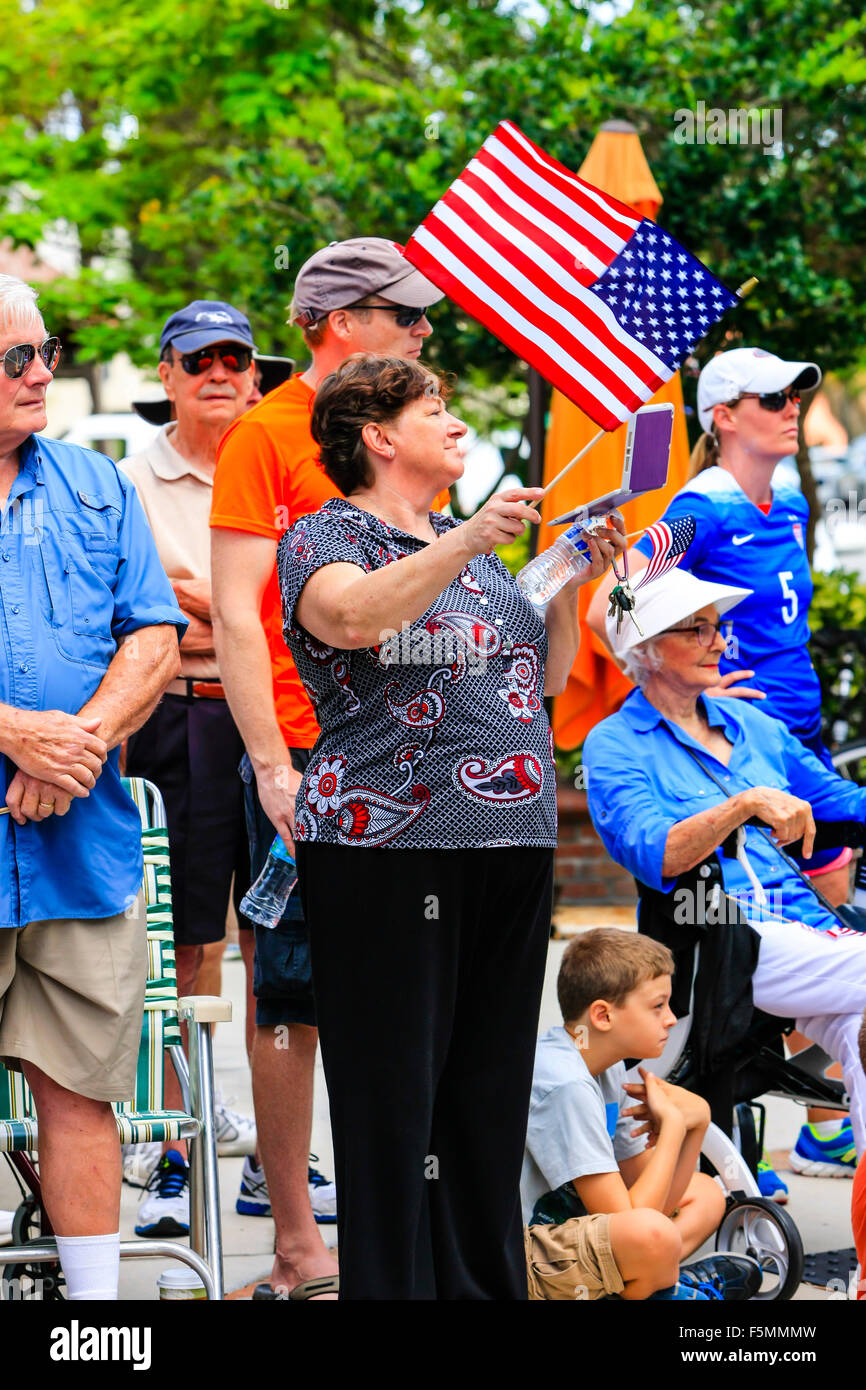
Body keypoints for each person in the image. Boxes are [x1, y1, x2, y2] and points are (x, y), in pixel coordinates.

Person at [277, 352, 624, 1300]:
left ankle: (482, 1287)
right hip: (388, 849)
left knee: (488, 1092)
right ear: (380, 438)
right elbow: (352, 620)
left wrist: (561, 580)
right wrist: (468, 543)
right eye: (437, 410)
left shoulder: (465, 544)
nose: (458, 425)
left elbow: (546, 680)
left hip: (509, 843)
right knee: (396, 1097)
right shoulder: (326, 538)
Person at [210, 237, 451, 1298]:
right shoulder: (263, 436)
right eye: (404, 314)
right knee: (291, 994)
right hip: (310, 753)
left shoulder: (402, 433)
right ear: (338, 319)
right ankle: (299, 1241)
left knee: (404, 993)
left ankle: (403, 1235)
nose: (422, 331)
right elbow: (233, 612)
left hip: (412, 748)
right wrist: (269, 761)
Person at [588, 347, 855, 1179]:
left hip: (775, 743)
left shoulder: (789, 504)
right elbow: (613, 598)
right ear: (723, 416)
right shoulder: (702, 506)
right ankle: (742, 1125)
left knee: (823, 914)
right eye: (771, 395)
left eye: (798, 393)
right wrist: (674, 671)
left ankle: (809, 1121)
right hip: (718, 758)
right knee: (744, 934)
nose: (791, 406)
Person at [0, 273, 185, 1299]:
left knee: (80, 1094)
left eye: (46, 351)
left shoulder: (97, 483)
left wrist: (76, 746)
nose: (41, 375)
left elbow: (152, 635)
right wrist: (12, 735)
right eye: (15, 360)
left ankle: (95, 1316)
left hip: (82, 841)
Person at [582, 567, 866, 1160]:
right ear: (647, 649)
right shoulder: (614, 744)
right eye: (697, 630)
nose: (719, 642)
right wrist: (741, 805)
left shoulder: (754, 725)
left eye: (718, 627)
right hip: (721, 939)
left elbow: (839, 802)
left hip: (813, 933)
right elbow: (651, 850)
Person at [120, 301, 259, 1236]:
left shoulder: (290, 468)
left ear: (256, 376)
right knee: (185, 942)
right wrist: (229, 612)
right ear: (167, 376)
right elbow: (149, 616)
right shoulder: (124, 480)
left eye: (234, 358)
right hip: (179, 721)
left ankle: (270, 1151)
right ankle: (175, 1145)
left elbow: (300, 607)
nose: (216, 371)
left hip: (280, 724)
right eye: (195, 357)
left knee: (287, 949)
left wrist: (224, 610)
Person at [522, 929, 761, 1301]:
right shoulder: (565, 1083)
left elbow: (655, 1197)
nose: (671, 1018)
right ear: (603, 1015)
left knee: (705, 1194)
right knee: (650, 1234)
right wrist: (673, 1129)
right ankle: (668, 1290)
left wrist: (696, 1123)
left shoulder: (606, 1065)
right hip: (524, 1256)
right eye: (658, 1005)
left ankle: (659, 1283)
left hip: (575, 1231)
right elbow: (630, 1218)